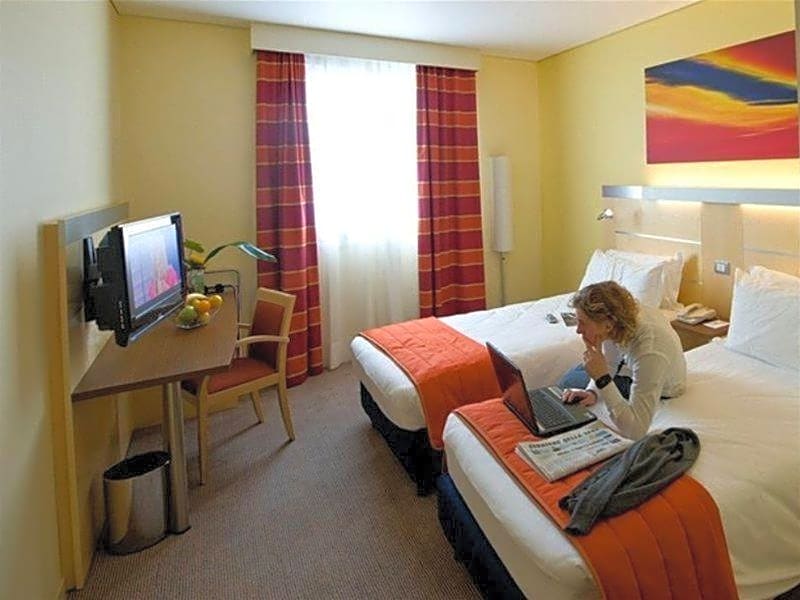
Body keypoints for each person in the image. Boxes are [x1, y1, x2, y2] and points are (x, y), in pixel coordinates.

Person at [558, 281, 686, 440]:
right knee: (571, 379)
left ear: (607, 325)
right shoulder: (618, 319)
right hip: (629, 367)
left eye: (582, 323)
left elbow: (636, 431)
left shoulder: (650, 350)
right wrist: (592, 392)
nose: (578, 330)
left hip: (665, 389)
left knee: (568, 381)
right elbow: (611, 362)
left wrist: (602, 379)